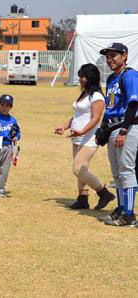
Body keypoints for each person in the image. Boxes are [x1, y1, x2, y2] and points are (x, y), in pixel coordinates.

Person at [54, 64, 115, 210]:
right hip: (77, 136)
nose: (80, 79)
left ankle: (103, 193)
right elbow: (77, 116)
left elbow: (95, 118)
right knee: (82, 168)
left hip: (89, 138)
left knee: (78, 169)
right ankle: (82, 198)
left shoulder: (97, 96)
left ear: (91, 78)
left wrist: (81, 132)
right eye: (80, 76)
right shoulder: (85, 93)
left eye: (83, 76)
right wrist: (64, 126)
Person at [96, 43, 138, 226]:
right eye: (107, 56)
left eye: (114, 55)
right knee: (116, 173)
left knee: (126, 170)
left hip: (126, 128)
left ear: (125, 56)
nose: (110, 59)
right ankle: (121, 209)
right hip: (113, 129)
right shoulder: (112, 79)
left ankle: (129, 215)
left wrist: (123, 130)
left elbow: (133, 104)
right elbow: (110, 107)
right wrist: (103, 128)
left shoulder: (130, 75)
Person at [0, 95, 21, 197]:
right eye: (2, 104)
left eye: (7, 105)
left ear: (10, 107)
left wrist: (16, 137)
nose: (4, 107)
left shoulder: (13, 120)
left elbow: (17, 131)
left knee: (4, 169)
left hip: (8, 146)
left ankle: (0, 188)